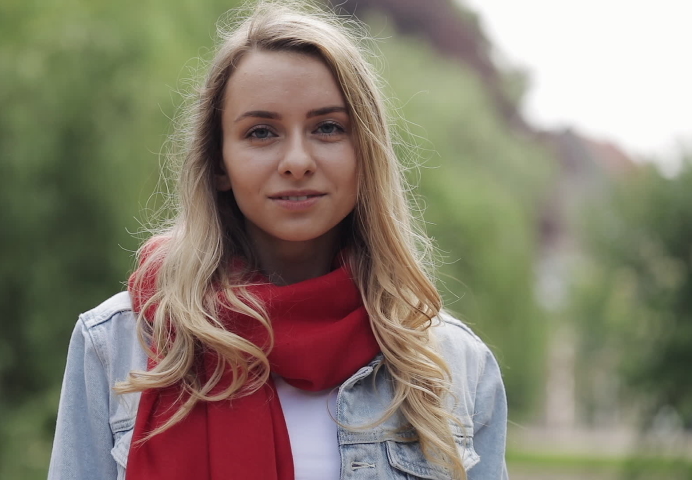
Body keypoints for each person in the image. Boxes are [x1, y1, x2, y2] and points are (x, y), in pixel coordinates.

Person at [47, 1, 508, 479]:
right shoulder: (118, 345)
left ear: (365, 152)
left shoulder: (450, 364)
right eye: (261, 132)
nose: (296, 160)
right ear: (220, 162)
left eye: (327, 128)